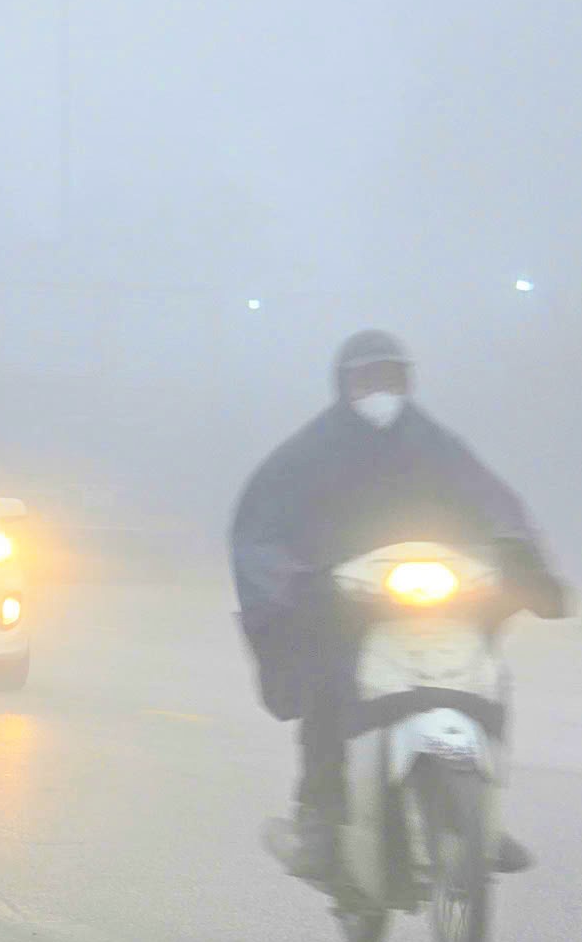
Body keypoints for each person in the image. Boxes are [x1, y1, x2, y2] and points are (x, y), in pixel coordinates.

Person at [228, 330, 565, 881]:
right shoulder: (307, 454)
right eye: (369, 378)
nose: (381, 389)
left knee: (482, 674)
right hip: (344, 600)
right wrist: (288, 579)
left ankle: (477, 807)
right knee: (330, 684)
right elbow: (260, 532)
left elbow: (491, 498)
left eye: (392, 377)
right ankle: (319, 817)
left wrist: (520, 554)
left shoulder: (435, 444)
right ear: (344, 385)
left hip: (432, 593)